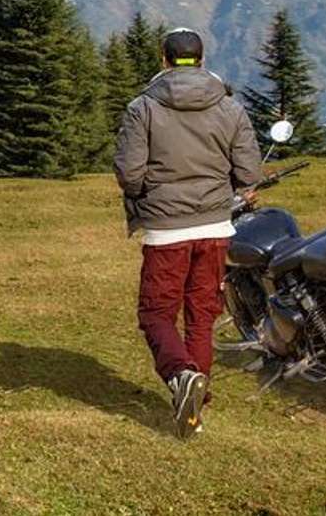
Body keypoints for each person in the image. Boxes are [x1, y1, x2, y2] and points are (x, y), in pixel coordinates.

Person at [113, 28, 261, 438]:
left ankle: (181, 376)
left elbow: (129, 173)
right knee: (202, 315)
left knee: (156, 313)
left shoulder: (143, 108)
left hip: (166, 229)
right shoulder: (230, 107)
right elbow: (249, 173)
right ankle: (197, 401)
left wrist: (148, 195)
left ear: (164, 59)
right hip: (216, 226)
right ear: (201, 58)